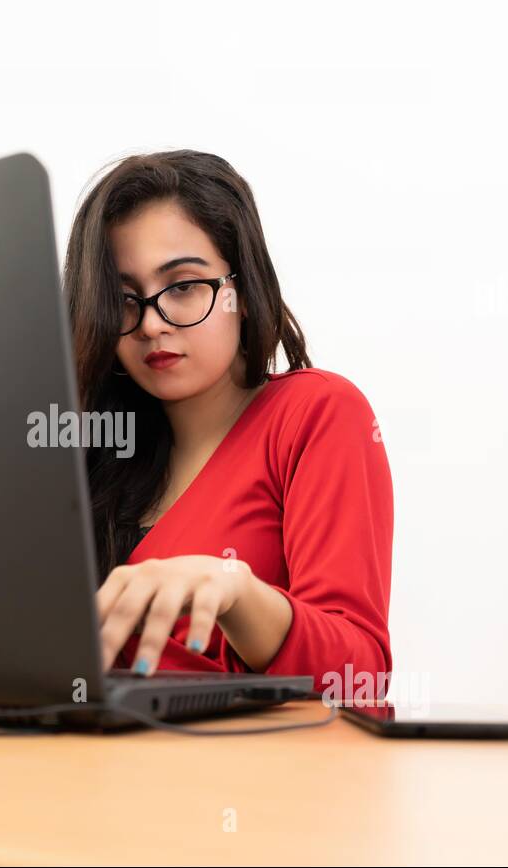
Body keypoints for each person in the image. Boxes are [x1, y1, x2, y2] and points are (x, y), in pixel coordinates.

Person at [63, 150, 393, 694]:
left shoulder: (317, 414)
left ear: (243, 288)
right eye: (123, 300)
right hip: (87, 766)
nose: (149, 324)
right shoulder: (95, 447)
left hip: (249, 772)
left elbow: (360, 678)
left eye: (183, 286)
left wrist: (237, 589)